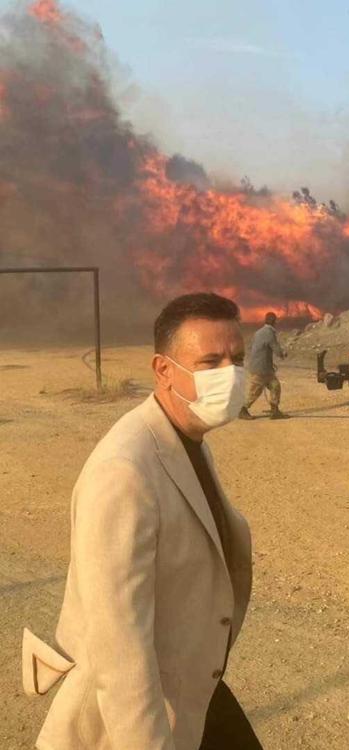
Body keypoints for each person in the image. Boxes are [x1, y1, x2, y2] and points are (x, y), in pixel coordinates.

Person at [22, 292, 263, 750]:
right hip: (144, 712)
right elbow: (119, 648)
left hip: (191, 684)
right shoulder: (124, 471)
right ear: (163, 370)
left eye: (236, 359)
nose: (229, 374)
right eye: (209, 362)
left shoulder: (185, 438)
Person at [239, 311, 289, 420]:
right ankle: (243, 410)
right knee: (255, 391)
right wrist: (283, 354)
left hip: (263, 367)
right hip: (261, 369)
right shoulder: (269, 333)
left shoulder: (258, 332)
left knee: (275, 386)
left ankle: (275, 411)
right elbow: (276, 349)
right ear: (274, 321)